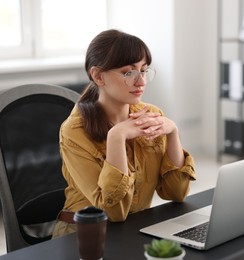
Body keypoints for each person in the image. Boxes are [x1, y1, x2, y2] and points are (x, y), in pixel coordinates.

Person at [52, 29, 196, 238]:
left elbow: (176, 193)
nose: (141, 82)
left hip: (132, 230)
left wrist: (173, 131)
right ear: (98, 76)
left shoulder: (151, 115)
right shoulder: (74, 131)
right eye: (128, 72)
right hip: (82, 235)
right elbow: (114, 212)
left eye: (144, 70)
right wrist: (116, 137)